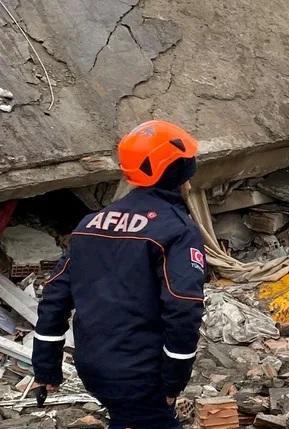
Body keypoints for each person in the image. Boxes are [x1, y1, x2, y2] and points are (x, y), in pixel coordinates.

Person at [33, 120, 205, 429]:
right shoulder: (177, 230)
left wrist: (46, 367)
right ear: (177, 171)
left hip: (94, 368)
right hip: (141, 374)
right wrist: (174, 380)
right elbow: (183, 307)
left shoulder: (90, 224)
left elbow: (55, 296)